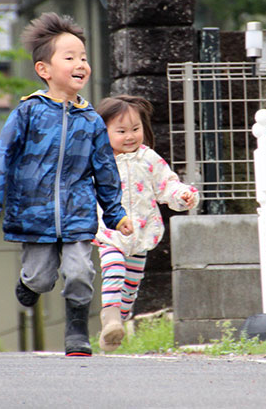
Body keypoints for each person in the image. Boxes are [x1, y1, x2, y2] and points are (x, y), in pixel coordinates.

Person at [0, 12, 130, 357]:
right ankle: (28, 282)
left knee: (80, 271)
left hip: (77, 213)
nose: (81, 64)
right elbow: (1, 155)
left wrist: (115, 213)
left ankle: (77, 332)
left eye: (84, 58)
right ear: (44, 70)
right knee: (42, 278)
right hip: (33, 214)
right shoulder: (27, 113)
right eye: (70, 57)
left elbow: (105, 169)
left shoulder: (91, 120)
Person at [93, 95, 199, 351]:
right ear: (102, 132)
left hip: (141, 235)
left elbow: (167, 184)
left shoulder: (149, 158)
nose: (130, 136)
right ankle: (109, 319)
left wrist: (182, 195)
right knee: (114, 270)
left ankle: (116, 328)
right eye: (121, 131)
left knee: (130, 290)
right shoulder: (97, 161)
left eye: (135, 129)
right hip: (110, 233)